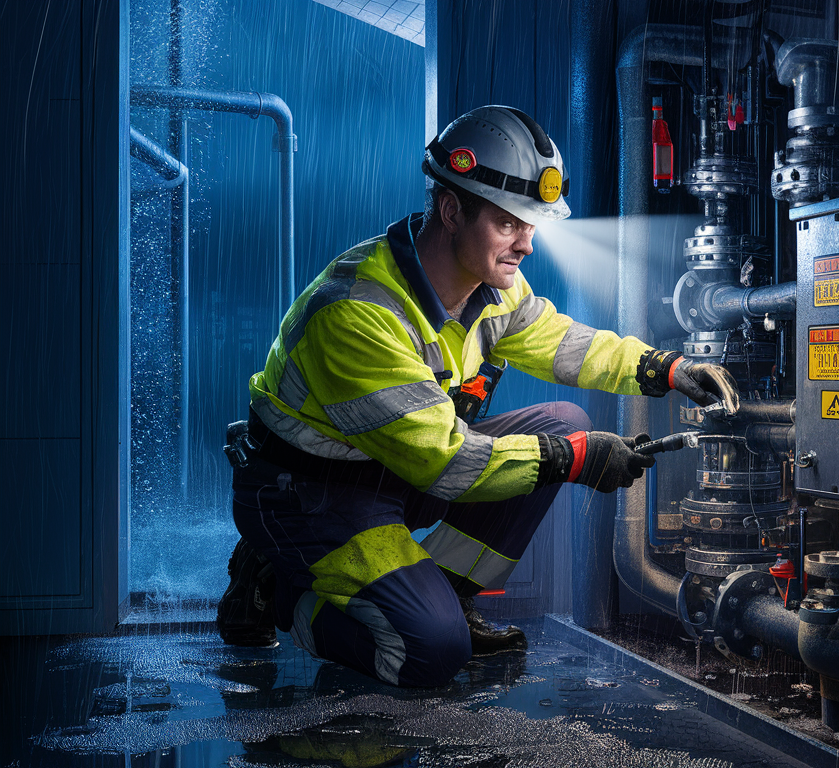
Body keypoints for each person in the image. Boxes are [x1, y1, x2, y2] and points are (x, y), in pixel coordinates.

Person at [215, 106, 739, 688]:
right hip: (314, 495)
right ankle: (281, 591)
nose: (528, 244)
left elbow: (564, 342)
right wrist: (575, 459)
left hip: (391, 473)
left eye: (533, 225)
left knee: (561, 422)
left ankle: (448, 597)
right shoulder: (358, 313)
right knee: (431, 652)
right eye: (510, 222)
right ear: (450, 209)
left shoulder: (490, 287)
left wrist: (663, 367)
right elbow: (446, 462)